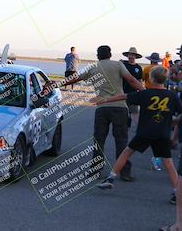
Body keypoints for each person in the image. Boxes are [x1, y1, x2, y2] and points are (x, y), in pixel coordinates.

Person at [47, 45, 144, 180]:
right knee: (121, 140)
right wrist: (146, 93)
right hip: (120, 107)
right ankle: (124, 172)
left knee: (99, 140)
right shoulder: (118, 65)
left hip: (102, 108)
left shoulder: (93, 67)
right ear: (110, 54)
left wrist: (55, 85)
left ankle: (96, 170)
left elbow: (74, 78)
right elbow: (132, 80)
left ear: (98, 56)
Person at [96, 66, 181, 205]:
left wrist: (105, 100)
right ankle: (178, 193)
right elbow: (180, 111)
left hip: (145, 132)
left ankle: (110, 178)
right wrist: (175, 121)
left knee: (127, 152)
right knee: (168, 164)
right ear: (166, 80)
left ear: (151, 78)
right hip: (162, 133)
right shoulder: (172, 96)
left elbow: (124, 96)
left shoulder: (145, 94)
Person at [121, 47, 143, 127]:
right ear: (127, 55)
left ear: (136, 56)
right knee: (123, 110)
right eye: (130, 54)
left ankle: (138, 129)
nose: (131, 56)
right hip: (122, 91)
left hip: (134, 92)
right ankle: (124, 125)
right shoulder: (123, 65)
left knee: (135, 111)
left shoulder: (138, 68)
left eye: (133, 55)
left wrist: (141, 91)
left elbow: (140, 80)